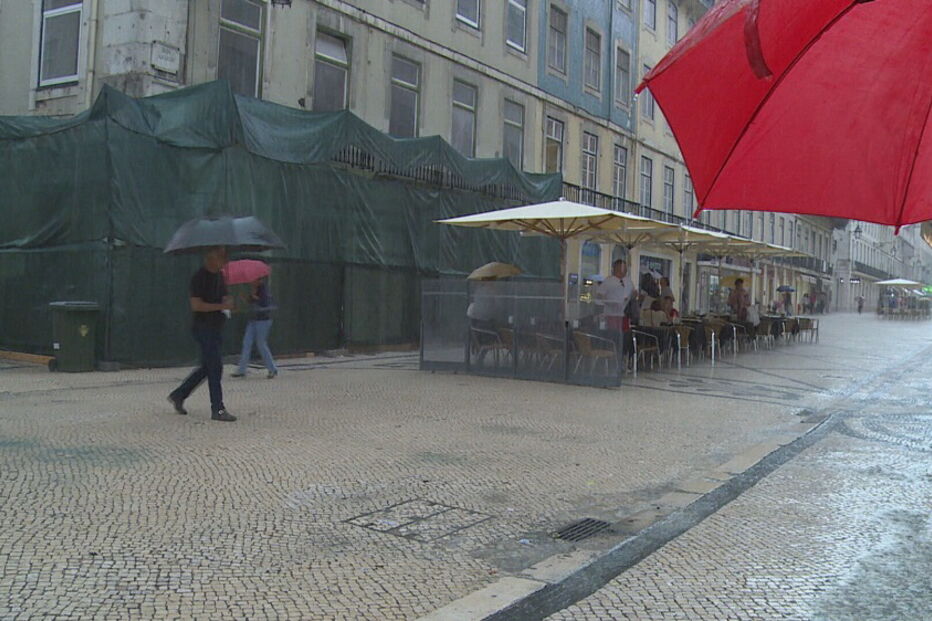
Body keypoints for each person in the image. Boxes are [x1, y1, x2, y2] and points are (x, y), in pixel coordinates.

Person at [167, 246, 236, 422]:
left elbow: (224, 297)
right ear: (211, 257)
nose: (225, 260)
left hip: (216, 326)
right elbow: (196, 305)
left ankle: (179, 395)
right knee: (215, 366)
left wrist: (227, 301)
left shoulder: (220, 276)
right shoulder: (199, 278)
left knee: (207, 367)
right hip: (203, 327)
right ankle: (218, 408)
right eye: (221, 256)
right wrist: (221, 306)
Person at [232, 276, 279, 379]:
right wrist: (245, 297)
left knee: (261, 344)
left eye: (254, 280)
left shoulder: (264, 290)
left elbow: (264, 303)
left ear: (259, 280)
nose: (252, 282)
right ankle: (241, 370)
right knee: (246, 343)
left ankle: (272, 369)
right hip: (253, 320)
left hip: (263, 321)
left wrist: (254, 296)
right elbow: (251, 302)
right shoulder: (255, 289)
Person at [596, 259, 635, 333]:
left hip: (624, 314)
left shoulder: (628, 281)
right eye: (623, 267)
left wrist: (633, 296)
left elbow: (633, 293)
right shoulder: (608, 281)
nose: (626, 269)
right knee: (613, 333)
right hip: (611, 314)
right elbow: (599, 295)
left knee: (624, 334)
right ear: (617, 268)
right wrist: (609, 302)